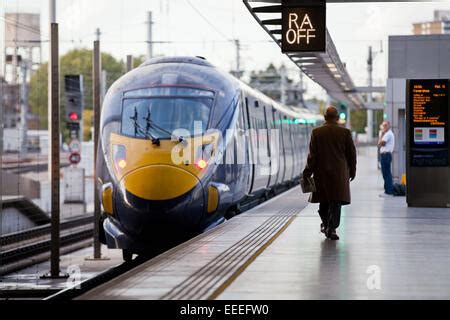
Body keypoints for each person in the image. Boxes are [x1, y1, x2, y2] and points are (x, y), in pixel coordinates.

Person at [302, 106, 357, 240]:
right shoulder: (345, 133)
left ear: (325, 117)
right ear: (337, 118)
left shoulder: (317, 132)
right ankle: (331, 228)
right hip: (339, 174)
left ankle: (326, 224)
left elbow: (312, 156)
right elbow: (352, 155)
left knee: (324, 201)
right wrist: (352, 171)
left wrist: (307, 172)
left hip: (322, 173)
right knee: (336, 202)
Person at [377, 121, 395, 196]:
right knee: (385, 173)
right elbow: (379, 143)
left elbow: (381, 143)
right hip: (385, 155)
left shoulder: (388, 134)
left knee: (386, 173)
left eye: (385, 125)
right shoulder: (387, 134)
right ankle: (387, 190)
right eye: (383, 125)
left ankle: (388, 191)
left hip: (386, 155)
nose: (384, 127)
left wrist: (382, 134)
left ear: (389, 126)